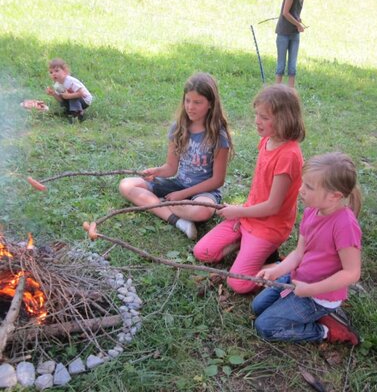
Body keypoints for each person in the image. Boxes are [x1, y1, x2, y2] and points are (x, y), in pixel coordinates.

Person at [193, 84, 305, 294]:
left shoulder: (289, 156)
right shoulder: (267, 140)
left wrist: (238, 212)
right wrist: (242, 211)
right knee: (203, 251)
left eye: (264, 117)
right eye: (257, 114)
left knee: (239, 283)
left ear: (284, 119)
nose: (257, 120)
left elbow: (273, 206)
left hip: (269, 226)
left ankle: (279, 268)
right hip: (249, 216)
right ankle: (243, 245)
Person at [252, 152, 362, 345]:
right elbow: (299, 253)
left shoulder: (345, 225)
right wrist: (276, 271)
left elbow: (352, 273)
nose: (301, 190)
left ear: (334, 196)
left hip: (318, 296)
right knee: (257, 306)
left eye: (309, 187)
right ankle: (296, 307)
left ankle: (326, 330)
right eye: (303, 183)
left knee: (266, 326)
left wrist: (310, 289)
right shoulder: (312, 211)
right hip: (298, 280)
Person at [119, 72, 233, 240]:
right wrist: (156, 172)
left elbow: (217, 180)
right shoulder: (179, 128)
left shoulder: (218, 136)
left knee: (202, 210)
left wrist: (182, 194)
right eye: (187, 100)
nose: (190, 107)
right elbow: (171, 168)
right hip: (178, 185)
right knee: (126, 185)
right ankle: (179, 221)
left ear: (210, 104)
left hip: (204, 193)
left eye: (197, 102)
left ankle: (158, 203)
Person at [275, 0, 312, 88]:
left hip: (294, 34)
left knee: (292, 66)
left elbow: (293, 12)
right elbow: (285, 13)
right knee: (281, 66)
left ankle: (291, 91)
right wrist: (298, 24)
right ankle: (277, 90)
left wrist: (297, 19)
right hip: (283, 33)